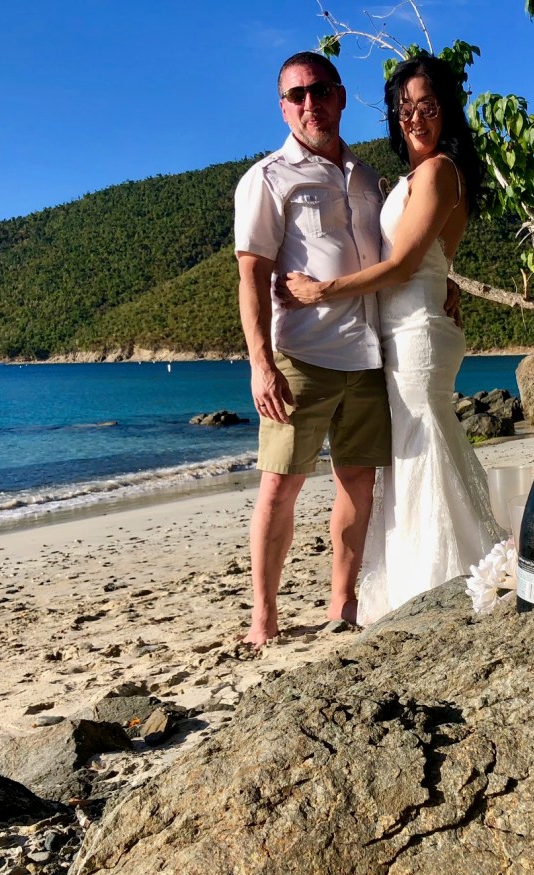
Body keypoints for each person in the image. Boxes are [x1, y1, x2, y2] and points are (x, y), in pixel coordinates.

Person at [279, 54, 502, 625]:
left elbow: (403, 265)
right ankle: (435, 582)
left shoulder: (438, 171)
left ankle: (448, 583)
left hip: (415, 332)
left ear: (446, 108)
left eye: (427, 106)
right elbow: (429, 257)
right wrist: (447, 281)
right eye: (404, 108)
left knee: (421, 454)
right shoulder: (418, 175)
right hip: (406, 328)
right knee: (413, 457)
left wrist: (322, 291)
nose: (414, 118)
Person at [234, 51, 391, 645]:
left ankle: (342, 605)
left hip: (369, 356)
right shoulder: (269, 178)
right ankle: (264, 617)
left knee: (358, 481)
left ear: (341, 95)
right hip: (301, 358)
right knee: (280, 484)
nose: (310, 104)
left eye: (320, 91)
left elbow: (394, 254)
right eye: (297, 95)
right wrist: (260, 364)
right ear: (282, 106)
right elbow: (251, 275)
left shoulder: (368, 177)